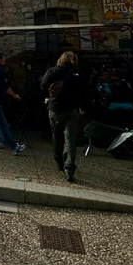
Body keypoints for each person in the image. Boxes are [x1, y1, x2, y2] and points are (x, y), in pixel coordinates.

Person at [40, 51, 89, 183]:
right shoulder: (78, 73)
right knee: (70, 139)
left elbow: (43, 86)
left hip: (56, 108)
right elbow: (85, 92)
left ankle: (59, 162)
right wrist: (84, 107)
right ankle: (69, 167)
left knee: (57, 136)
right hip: (72, 109)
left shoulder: (53, 71)